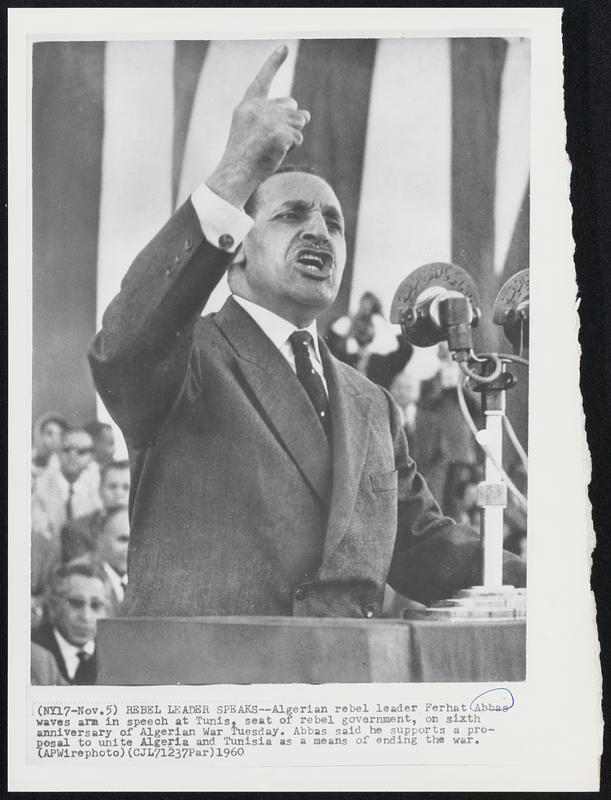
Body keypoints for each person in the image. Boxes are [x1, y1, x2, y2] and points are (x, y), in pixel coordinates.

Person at [89, 46, 525, 618]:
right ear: (237, 248)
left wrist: (560, 568)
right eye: (292, 215)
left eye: (333, 223)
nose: (320, 229)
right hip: (210, 691)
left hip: (344, 687)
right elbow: (123, 344)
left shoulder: (372, 404)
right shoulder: (188, 357)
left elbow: (423, 550)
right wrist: (236, 171)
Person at [31, 428, 103, 598]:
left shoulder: (98, 490)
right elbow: (41, 534)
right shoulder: (40, 488)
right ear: (57, 452)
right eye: (67, 449)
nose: (73, 455)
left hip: (86, 574)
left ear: (92, 456)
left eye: (81, 451)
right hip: (47, 573)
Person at [31, 560, 110, 685]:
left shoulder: (114, 658)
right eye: (76, 603)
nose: (86, 617)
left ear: (106, 611)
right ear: (53, 606)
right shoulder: (32, 655)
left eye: (96, 605)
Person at [61, 459, 130, 562]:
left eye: (126, 487)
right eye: (112, 487)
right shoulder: (76, 530)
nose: (119, 493)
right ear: (100, 490)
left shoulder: (150, 529)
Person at [95, 507, 130, 613]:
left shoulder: (148, 579)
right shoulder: (86, 576)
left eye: (137, 541)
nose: (131, 548)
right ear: (101, 540)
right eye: (123, 539)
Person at [31, 411, 68, 485]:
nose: (54, 440)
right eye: (49, 433)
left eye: (59, 435)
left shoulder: (60, 467)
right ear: (39, 434)